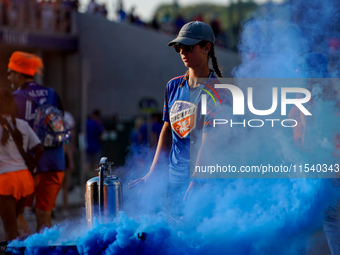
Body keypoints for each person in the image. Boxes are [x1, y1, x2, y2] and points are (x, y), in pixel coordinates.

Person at [129, 21, 225, 218]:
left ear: (206, 48)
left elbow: (210, 142)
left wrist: (196, 182)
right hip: (173, 182)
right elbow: (167, 131)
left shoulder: (218, 92)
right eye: (179, 47)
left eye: (189, 47)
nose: (183, 51)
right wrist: (152, 173)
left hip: (203, 185)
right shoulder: (172, 86)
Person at [7, 51, 66, 232]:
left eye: (9, 72)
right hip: (55, 162)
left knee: (15, 214)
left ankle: (25, 250)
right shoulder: (51, 94)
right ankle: (43, 251)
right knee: (44, 215)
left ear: (18, 73)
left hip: (25, 165)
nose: (8, 77)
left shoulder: (14, 98)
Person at [0, 87, 44, 241]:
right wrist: (32, 167)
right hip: (24, 179)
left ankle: (11, 252)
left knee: (9, 226)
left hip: (5, 180)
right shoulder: (22, 124)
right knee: (16, 219)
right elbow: (39, 148)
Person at [85, 109, 104, 179]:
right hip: (96, 146)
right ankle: (95, 180)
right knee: (96, 165)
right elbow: (101, 136)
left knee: (87, 163)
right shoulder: (98, 123)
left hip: (87, 146)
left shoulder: (86, 122)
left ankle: (84, 179)